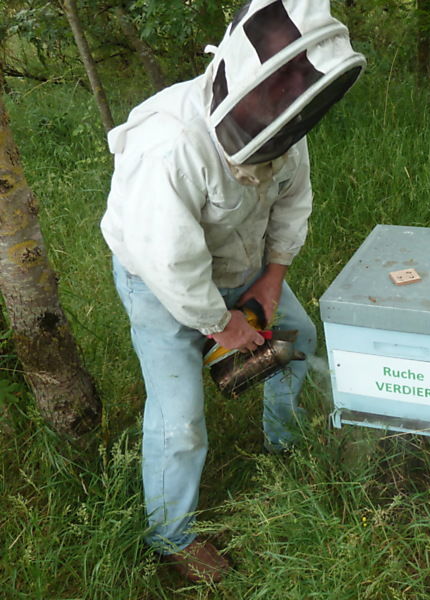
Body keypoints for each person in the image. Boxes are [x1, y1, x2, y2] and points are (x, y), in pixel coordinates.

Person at [101, 0, 365, 583]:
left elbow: (293, 201)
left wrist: (273, 277)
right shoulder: (169, 146)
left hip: (242, 267)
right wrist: (222, 326)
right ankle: (170, 536)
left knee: (301, 341)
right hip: (160, 286)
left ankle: (282, 443)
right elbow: (170, 263)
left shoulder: (280, 113)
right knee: (180, 421)